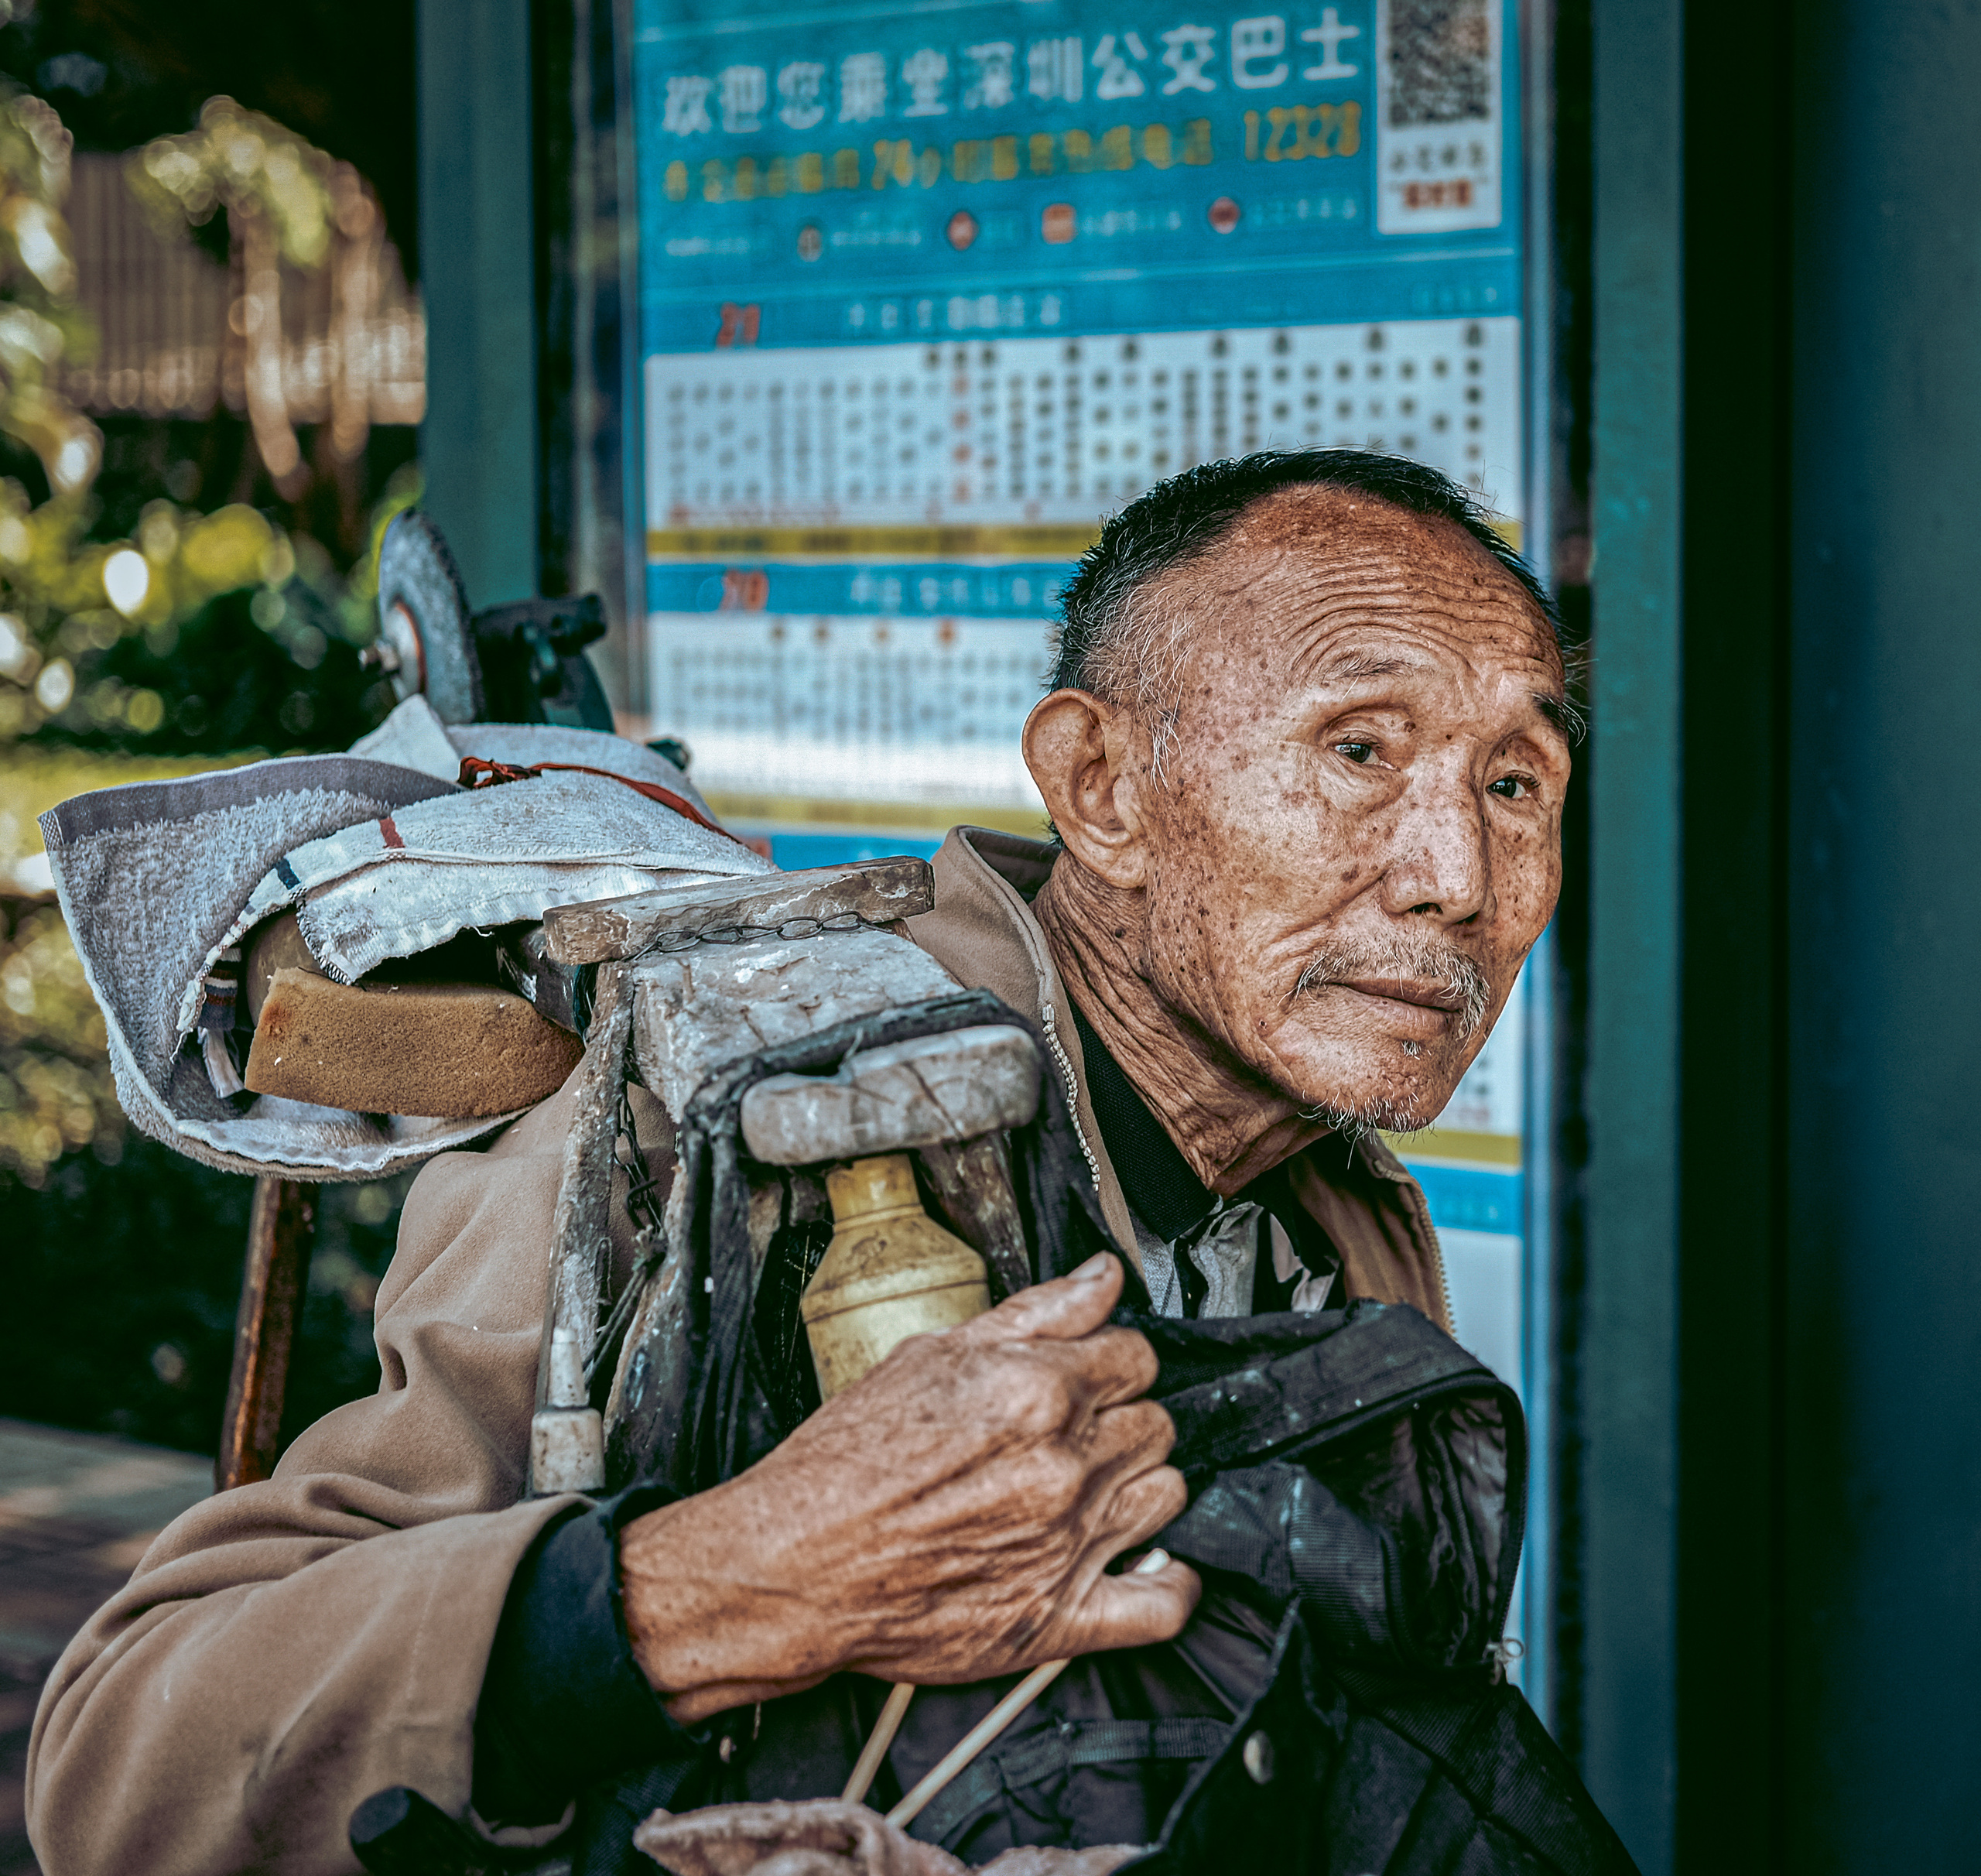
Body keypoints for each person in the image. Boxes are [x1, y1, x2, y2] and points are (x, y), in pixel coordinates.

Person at [24, 450, 1574, 1874]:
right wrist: (722, 1588)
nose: (1456, 878)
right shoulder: (712, 1129)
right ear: (1101, 789)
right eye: (1358, 750)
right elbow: (121, 1760)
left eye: (1512, 782)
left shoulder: (1322, 1199)